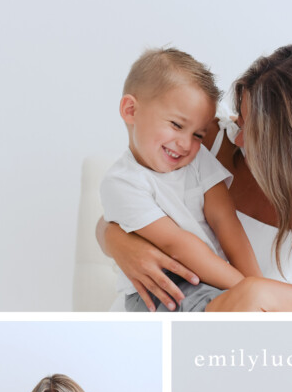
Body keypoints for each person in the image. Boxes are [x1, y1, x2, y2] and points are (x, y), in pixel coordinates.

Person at [97, 39, 292, 312]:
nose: (237, 135)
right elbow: (125, 207)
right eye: (240, 116)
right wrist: (116, 241)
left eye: (251, 128)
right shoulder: (204, 139)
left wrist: (262, 294)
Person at [101, 47, 261, 312]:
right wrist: (249, 289)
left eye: (198, 135)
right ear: (131, 110)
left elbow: (225, 221)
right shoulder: (121, 182)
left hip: (213, 280)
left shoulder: (197, 160)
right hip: (163, 287)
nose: (186, 144)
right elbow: (177, 245)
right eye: (176, 125)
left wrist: (258, 285)